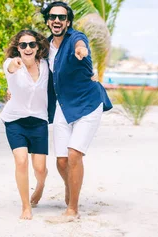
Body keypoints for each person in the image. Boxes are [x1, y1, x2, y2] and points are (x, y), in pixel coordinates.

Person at [41, 1, 113, 221]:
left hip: (88, 103)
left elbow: (80, 45)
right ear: (48, 21)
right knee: (61, 161)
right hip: (64, 106)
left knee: (74, 155)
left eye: (62, 17)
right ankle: (70, 187)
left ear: (68, 22)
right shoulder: (46, 47)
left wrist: (81, 51)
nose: (57, 20)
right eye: (53, 17)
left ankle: (73, 209)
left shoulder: (76, 38)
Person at [0, 29, 51, 220]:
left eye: (32, 44)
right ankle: (25, 206)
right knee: (21, 161)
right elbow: (11, 67)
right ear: (18, 48)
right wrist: (15, 63)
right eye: (23, 45)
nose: (27, 48)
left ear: (37, 47)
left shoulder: (45, 65)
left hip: (38, 121)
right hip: (15, 120)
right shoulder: (11, 64)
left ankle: (40, 186)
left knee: (40, 168)